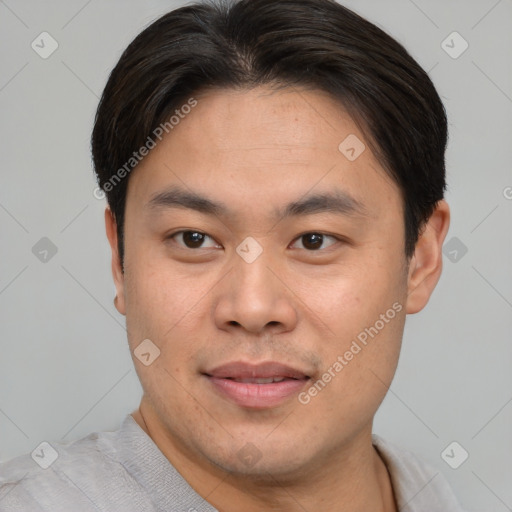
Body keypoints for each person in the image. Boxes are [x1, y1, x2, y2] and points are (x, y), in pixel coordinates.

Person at [0, 0, 467, 510]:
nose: (252, 308)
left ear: (420, 259)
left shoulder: (429, 492)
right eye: (193, 239)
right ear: (120, 259)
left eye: (314, 240)